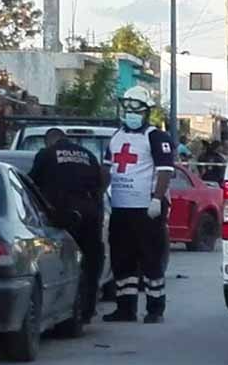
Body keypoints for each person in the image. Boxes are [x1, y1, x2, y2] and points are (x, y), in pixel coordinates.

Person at [102, 86, 174, 324]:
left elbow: (164, 172)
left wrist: (156, 199)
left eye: (136, 109)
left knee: (151, 260)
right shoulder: (116, 137)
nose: (131, 113)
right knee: (122, 260)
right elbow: (107, 170)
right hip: (121, 209)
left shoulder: (156, 137)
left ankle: (155, 309)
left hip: (147, 210)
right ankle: (125, 308)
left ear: (146, 112)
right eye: (128, 108)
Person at [29, 128, 105, 323]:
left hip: (63, 214)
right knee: (91, 262)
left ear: (49, 141)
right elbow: (101, 183)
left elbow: (31, 185)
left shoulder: (46, 155)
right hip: (90, 213)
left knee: (64, 261)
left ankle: (63, 307)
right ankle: (87, 310)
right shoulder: (88, 155)